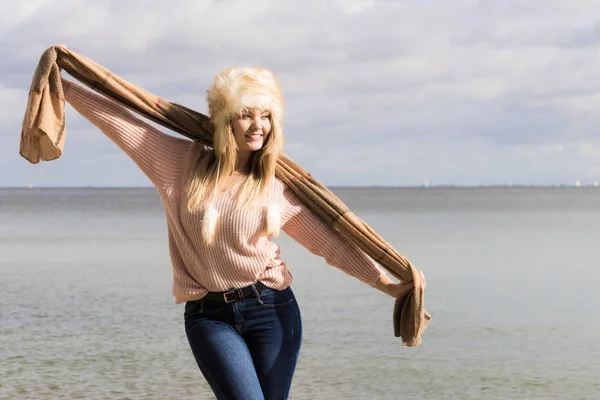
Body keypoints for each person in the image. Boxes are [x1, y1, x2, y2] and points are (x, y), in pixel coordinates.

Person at [60, 67, 426, 400]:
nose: (258, 125)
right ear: (223, 121)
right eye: (246, 114)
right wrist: (65, 87)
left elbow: (330, 243)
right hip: (207, 314)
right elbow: (126, 124)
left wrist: (388, 284)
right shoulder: (181, 165)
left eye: (266, 115)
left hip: (273, 309)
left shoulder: (276, 186)